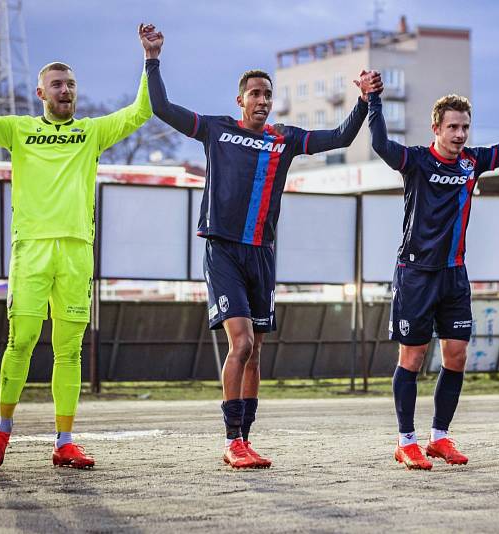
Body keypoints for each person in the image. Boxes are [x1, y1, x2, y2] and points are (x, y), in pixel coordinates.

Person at [141, 27, 382, 469]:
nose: (262, 100)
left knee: (257, 350)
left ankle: (245, 439)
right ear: (240, 101)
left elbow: (341, 138)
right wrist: (152, 59)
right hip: (224, 249)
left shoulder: (284, 138)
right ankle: (231, 440)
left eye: (268, 94)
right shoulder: (216, 129)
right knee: (242, 342)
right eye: (255, 93)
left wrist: (365, 101)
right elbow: (161, 107)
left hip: (262, 254)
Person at [0, 25, 154, 469]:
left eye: (71, 84)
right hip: (31, 249)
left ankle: (64, 441)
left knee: (69, 350)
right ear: (41, 91)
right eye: (57, 84)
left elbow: (140, 112)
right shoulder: (18, 130)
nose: (66, 90)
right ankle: (2, 431)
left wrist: (150, 60)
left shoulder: (91, 132)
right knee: (20, 342)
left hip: (77, 251)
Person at [365, 73, 499, 470]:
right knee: (411, 358)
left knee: (457, 356)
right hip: (415, 274)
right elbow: (379, 143)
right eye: (453, 127)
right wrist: (373, 101)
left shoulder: (473, 162)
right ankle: (406, 441)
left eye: (465, 127)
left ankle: (440, 437)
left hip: (454, 274)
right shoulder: (415, 160)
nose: (460, 134)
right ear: (436, 128)